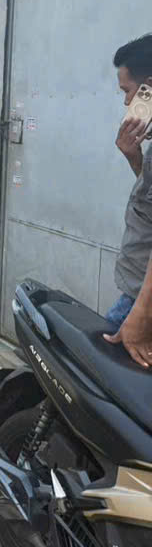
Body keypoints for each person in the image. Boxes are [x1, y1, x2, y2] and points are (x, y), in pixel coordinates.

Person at [106, 34, 152, 367]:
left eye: (128, 91)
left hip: (140, 302)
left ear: (148, 89)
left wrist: (140, 315)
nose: (126, 102)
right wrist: (135, 159)